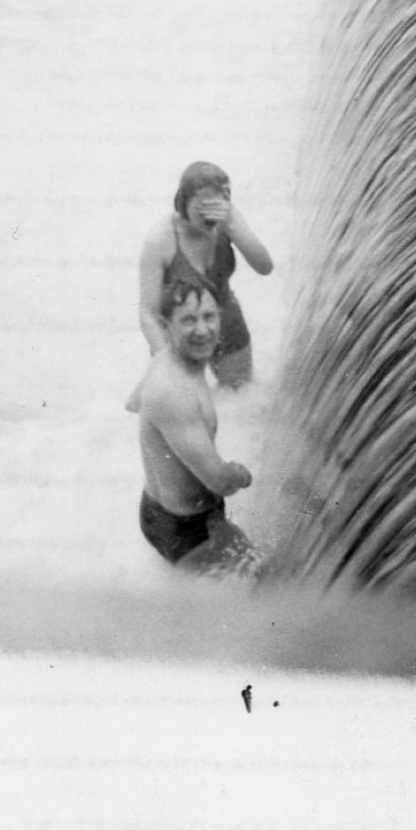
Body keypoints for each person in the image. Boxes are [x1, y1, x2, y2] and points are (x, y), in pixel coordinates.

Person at [136, 277, 262, 575]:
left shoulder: (171, 361)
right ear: (167, 326)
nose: (203, 330)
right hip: (185, 530)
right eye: (189, 320)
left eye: (209, 317)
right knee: (266, 582)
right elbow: (219, 482)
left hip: (167, 510)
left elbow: (133, 402)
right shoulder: (173, 392)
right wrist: (242, 475)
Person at [138, 161, 273, 389]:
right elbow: (148, 314)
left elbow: (265, 267)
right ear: (183, 203)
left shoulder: (228, 219)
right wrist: (166, 362)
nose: (210, 215)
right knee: (185, 407)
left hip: (224, 314)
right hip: (179, 330)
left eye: (216, 205)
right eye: (201, 207)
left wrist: (232, 226)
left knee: (239, 395)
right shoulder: (161, 240)